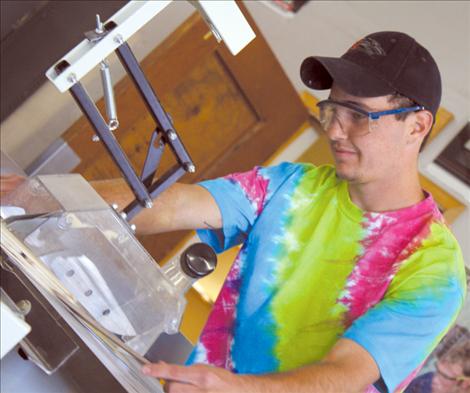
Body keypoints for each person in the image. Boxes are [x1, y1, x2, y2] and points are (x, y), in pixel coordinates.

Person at [0, 31, 466, 393]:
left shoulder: (432, 267)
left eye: (358, 115)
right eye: (331, 110)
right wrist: (31, 193)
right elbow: (174, 203)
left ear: (417, 125)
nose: (336, 131)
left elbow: (345, 374)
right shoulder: (296, 184)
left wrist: (236, 387)